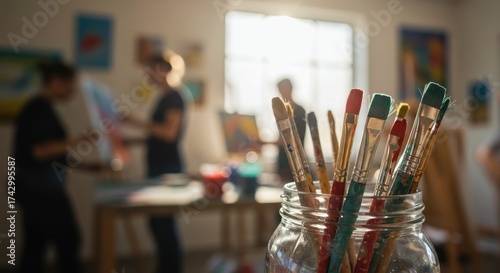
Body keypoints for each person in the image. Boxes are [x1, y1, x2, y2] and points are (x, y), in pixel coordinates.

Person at [13, 61, 85, 273]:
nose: (72, 90)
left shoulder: (41, 108)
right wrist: (76, 141)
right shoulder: (38, 109)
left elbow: (53, 153)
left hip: (35, 188)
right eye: (70, 84)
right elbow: (39, 151)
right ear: (55, 81)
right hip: (41, 190)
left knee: (35, 245)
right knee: (68, 241)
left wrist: (88, 166)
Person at [126, 56, 186, 273]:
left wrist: (134, 122)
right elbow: (158, 135)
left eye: (150, 70)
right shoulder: (164, 98)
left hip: (167, 168)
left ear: (162, 69)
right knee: (157, 223)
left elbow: (169, 133)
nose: (147, 75)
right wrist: (130, 141)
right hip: (159, 165)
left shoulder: (174, 97)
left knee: (163, 224)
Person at [276, 78, 306, 182]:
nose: (281, 92)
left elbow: (289, 140)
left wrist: (263, 142)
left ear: (291, 88)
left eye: (284, 89)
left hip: (296, 163)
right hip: (282, 165)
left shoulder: (300, 111)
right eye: (279, 89)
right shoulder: (280, 113)